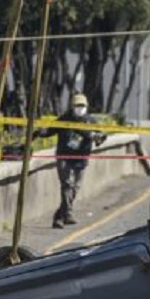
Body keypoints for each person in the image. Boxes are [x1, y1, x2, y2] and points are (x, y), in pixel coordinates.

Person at [42, 92, 106, 229]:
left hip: (81, 158)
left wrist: (98, 138)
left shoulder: (90, 121)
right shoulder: (64, 119)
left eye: (82, 106)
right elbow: (48, 132)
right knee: (67, 185)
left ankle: (60, 215)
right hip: (64, 156)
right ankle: (67, 213)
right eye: (77, 105)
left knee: (75, 187)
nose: (80, 108)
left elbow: (101, 136)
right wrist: (37, 132)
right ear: (72, 106)